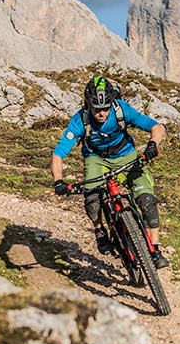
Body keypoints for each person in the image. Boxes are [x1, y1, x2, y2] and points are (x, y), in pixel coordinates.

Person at [50, 75, 168, 268]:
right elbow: (58, 154)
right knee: (92, 200)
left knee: (147, 201)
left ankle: (155, 250)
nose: (102, 113)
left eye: (105, 108)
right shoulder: (80, 119)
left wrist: (153, 145)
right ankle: (99, 231)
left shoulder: (122, 110)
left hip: (125, 154)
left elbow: (156, 127)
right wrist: (59, 181)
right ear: (89, 105)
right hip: (95, 157)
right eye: (97, 109)